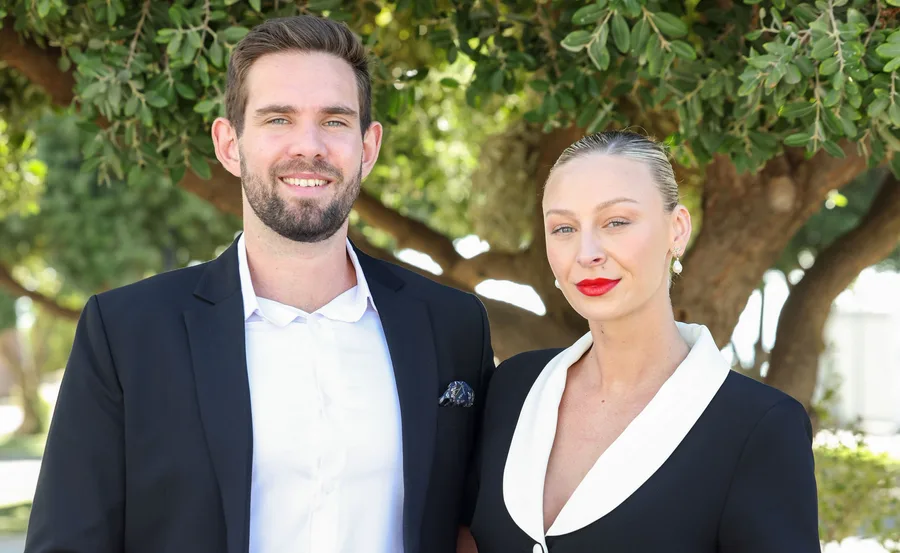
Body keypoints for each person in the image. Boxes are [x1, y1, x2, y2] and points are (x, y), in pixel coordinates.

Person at [25, 15, 494, 553]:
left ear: (368, 147)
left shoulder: (453, 327)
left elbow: (480, 527)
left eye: (334, 121)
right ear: (229, 144)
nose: (309, 146)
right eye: (278, 119)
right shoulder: (126, 333)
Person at [464, 131, 820, 553]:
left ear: (677, 230)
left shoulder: (760, 426)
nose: (587, 252)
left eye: (616, 222)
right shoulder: (512, 388)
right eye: (563, 228)